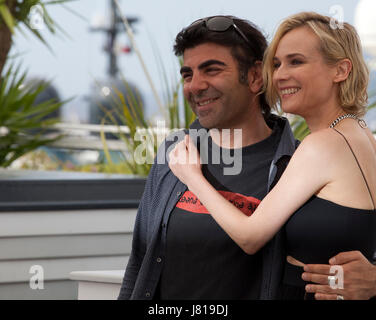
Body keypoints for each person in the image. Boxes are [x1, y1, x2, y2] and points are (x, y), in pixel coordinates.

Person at [118, 14, 376, 300]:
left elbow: (252, 237)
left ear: (254, 77)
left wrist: (192, 177)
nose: (279, 75)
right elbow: (141, 257)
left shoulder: (297, 158)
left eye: (296, 61)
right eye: (276, 64)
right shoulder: (175, 151)